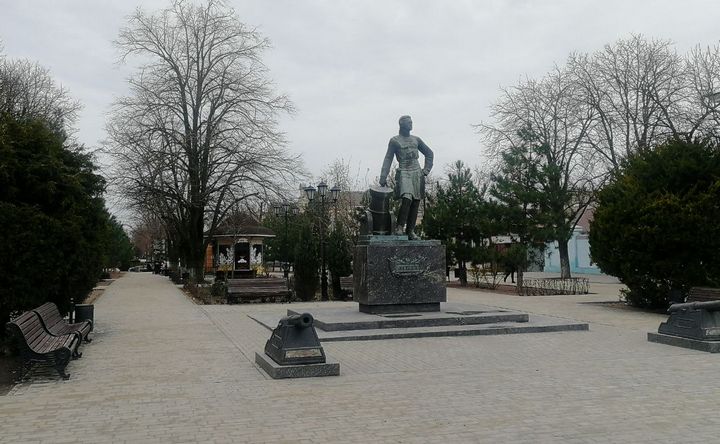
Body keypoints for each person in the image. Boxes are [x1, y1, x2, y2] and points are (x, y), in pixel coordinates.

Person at [379, 115, 434, 240]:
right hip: (404, 171)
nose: (411, 124)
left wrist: (426, 170)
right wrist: (383, 176)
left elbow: (429, 153)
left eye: (411, 122)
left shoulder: (416, 139)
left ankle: (410, 231)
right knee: (407, 197)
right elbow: (388, 158)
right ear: (402, 125)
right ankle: (399, 226)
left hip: (417, 172)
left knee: (416, 201)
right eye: (409, 122)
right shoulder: (394, 141)